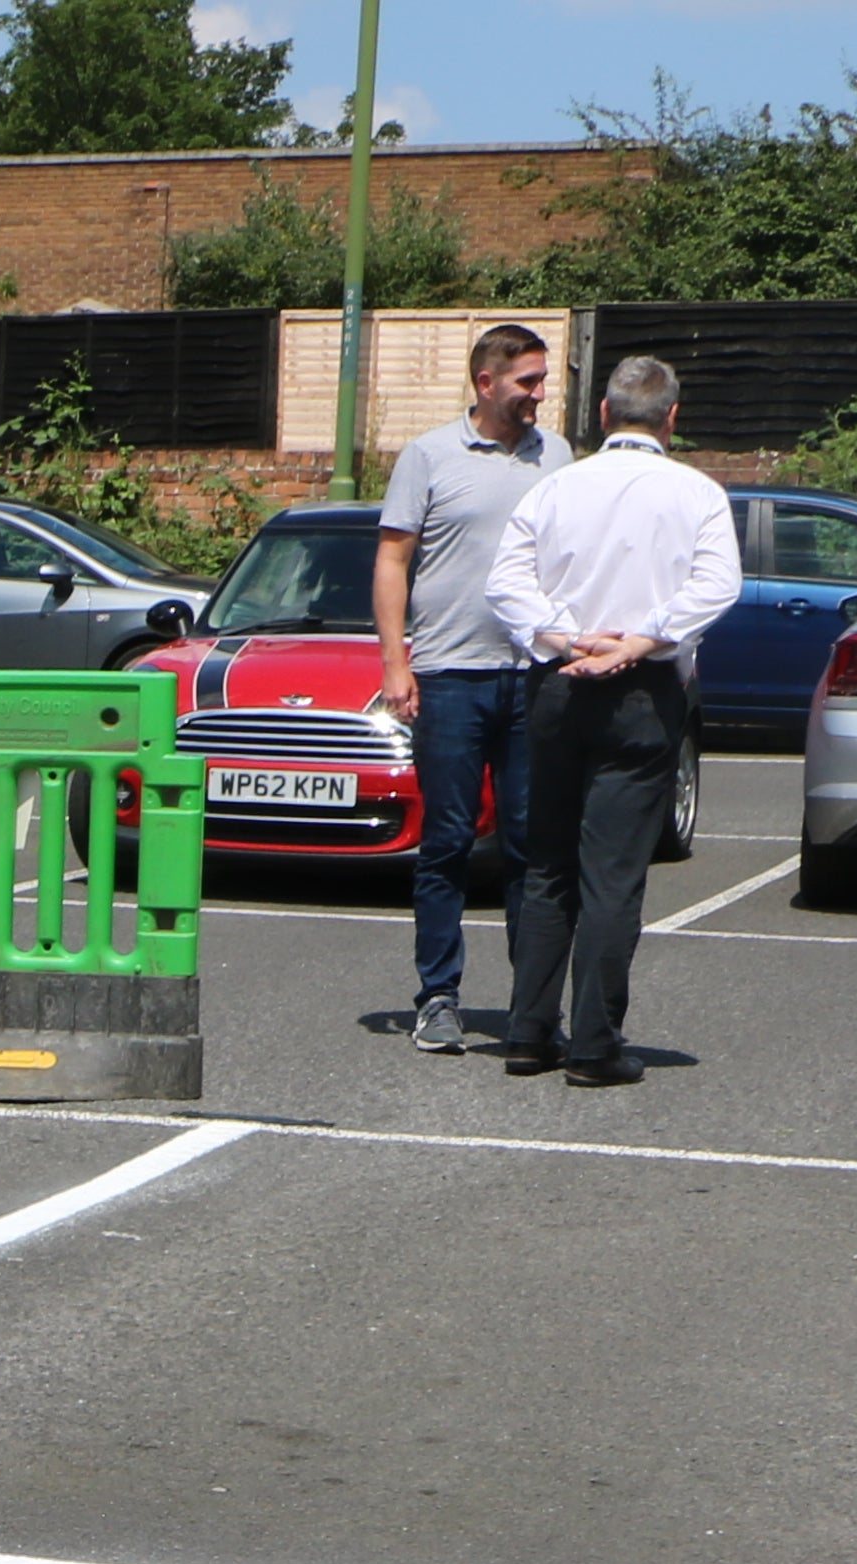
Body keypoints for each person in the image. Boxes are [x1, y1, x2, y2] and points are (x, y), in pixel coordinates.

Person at [481, 355, 739, 1087]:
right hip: (643, 690)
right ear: (672, 418)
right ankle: (595, 1044)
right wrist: (641, 639)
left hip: (558, 683)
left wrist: (565, 637)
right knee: (613, 876)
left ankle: (529, 1033)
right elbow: (719, 584)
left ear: (601, 415)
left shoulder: (557, 486)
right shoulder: (696, 492)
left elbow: (506, 583)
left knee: (547, 867)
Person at [371, 323, 569, 1054]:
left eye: (543, 380)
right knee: (448, 842)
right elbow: (393, 561)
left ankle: (533, 1005)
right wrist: (398, 663)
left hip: (533, 677)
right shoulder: (429, 455)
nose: (539, 395)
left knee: (530, 846)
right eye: (527, 381)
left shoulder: (560, 458)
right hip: (450, 676)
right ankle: (438, 997)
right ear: (486, 383)